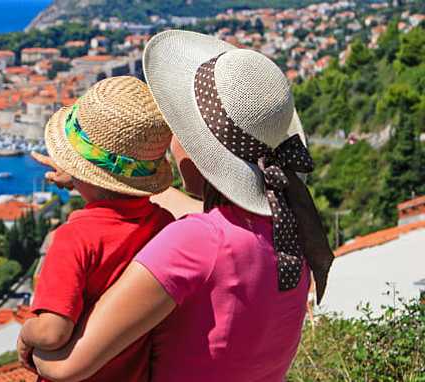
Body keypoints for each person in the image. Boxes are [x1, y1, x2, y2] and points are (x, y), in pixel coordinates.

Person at [30, 30, 334, 382]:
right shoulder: (285, 224)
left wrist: (30, 347)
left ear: (197, 150)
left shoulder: (197, 243)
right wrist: (98, 178)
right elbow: (191, 214)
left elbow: (68, 366)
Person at [17, 76, 175, 381]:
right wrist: (82, 178)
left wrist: (25, 334)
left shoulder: (74, 238)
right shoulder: (164, 226)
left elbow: (51, 332)